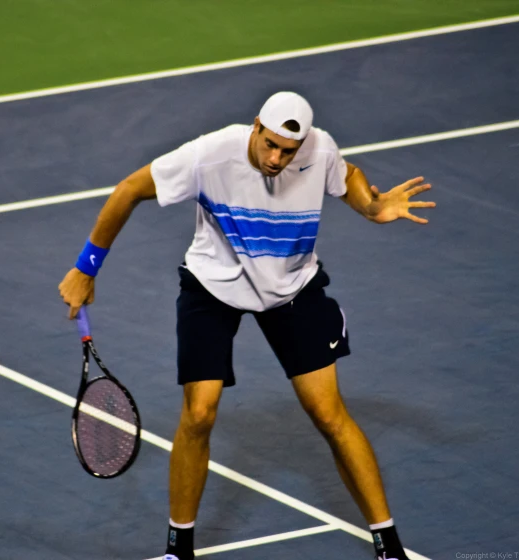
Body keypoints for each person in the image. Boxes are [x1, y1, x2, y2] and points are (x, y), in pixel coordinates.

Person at [58, 92, 435, 560]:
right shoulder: (209, 154)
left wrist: (372, 206)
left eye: (287, 151)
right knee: (199, 413)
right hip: (213, 286)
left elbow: (348, 175)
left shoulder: (320, 149)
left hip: (291, 286)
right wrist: (86, 267)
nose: (276, 158)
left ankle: (389, 546)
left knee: (328, 414)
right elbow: (128, 190)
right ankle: (179, 549)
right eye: (270, 145)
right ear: (256, 127)